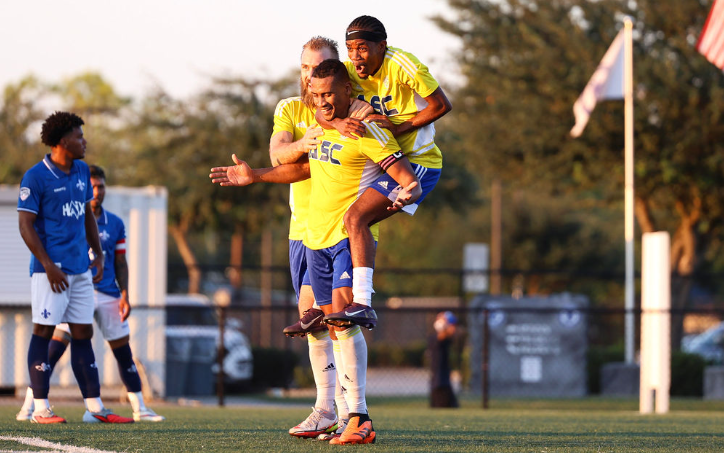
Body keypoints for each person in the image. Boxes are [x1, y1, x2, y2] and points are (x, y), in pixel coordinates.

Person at [211, 59, 422, 445]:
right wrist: (255, 175)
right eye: (316, 94)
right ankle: (344, 417)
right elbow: (304, 170)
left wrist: (401, 195)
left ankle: (359, 416)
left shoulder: (366, 130)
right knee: (330, 326)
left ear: (347, 91)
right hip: (316, 242)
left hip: (345, 240)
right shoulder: (320, 127)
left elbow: (407, 179)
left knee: (344, 321)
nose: (322, 101)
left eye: (329, 94)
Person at [320, 15, 453, 330]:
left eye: (363, 48)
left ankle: (362, 303)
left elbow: (442, 105)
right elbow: (320, 105)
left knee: (355, 219)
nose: (355, 56)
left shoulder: (403, 64)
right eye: (350, 48)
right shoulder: (349, 71)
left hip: (418, 162)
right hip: (387, 160)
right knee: (340, 219)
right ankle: (328, 302)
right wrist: (337, 122)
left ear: (382, 46)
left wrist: (400, 125)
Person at [16, 165, 165, 422]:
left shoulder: (115, 223)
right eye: (93, 186)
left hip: (107, 293)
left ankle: (138, 408)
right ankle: (32, 406)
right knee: (52, 348)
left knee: (122, 350)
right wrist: (49, 267)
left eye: (101, 186)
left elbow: (120, 261)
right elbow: (29, 224)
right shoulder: (64, 211)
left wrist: (125, 294)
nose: (97, 191)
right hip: (71, 286)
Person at [16, 111, 133, 424]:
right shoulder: (35, 177)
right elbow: (25, 225)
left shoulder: (81, 170)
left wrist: (98, 253)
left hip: (81, 269)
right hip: (49, 271)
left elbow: (85, 216)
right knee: (43, 332)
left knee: (83, 332)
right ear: (61, 141)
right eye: (79, 136)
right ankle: (40, 408)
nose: (84, 141)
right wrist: (47, 265)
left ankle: (95, 408)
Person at [430, 311, 459, 408]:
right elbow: (440, 337)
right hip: (439, 384)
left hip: (445, 382)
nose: (453, 328)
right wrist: (442, 325)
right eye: (451, 325)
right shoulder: (435, 339)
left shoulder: (448, 340)